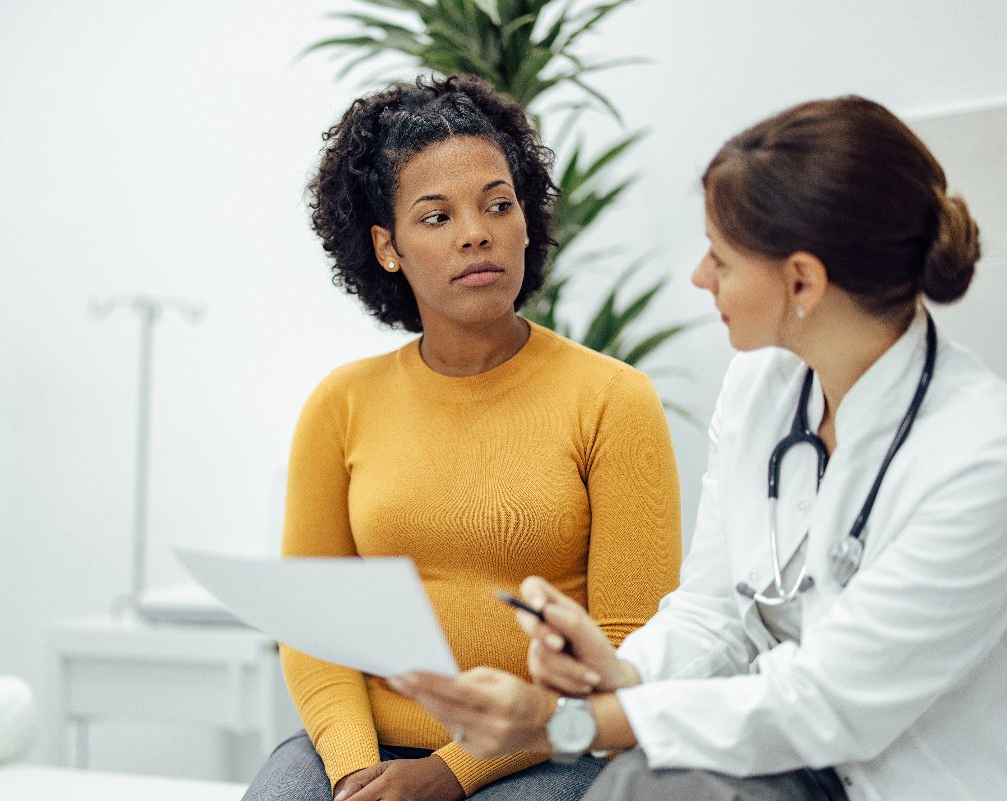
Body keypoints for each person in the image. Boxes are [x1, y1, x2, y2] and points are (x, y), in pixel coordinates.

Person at [391, 95, 1007, 801]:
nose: (699, 277)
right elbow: (714, 608)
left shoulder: (977, 459)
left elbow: (825, 703)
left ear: (802, 280)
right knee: (640, 786)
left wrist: (564, 722)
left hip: (902, 778)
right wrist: (621, 673)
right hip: (773, 762)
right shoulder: (761, 388)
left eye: (720, 257)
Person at [240, 75, 682, 801]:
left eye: (497, 204)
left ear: (527, 221)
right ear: (388, 246)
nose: (477, 230)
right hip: (364, 743)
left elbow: (629, 648)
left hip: (543, 746)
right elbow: (313, 624)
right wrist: (356, 770)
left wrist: (448, 773)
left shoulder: (612, 400)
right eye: (436, 215)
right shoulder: (340, 403)